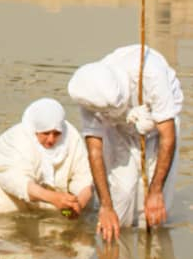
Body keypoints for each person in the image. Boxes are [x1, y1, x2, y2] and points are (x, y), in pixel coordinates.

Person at [67, 44, 183, 241]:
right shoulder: (88, 93)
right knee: (122, 193)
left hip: (158, 127)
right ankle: (116, 253)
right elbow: (95, 151)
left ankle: (153, 250)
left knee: (154, 210)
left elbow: (168, 135)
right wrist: (106, 206)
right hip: (117, 128)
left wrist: (156, 191)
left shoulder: (150, 74)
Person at [0, 98, 93, 217]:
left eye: (56, 134)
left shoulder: (71, 136)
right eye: (46, 133)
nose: (51, 139)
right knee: (0, 205)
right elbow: (15, 181)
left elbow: (84, 178)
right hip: (0, 182)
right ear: (35, 130)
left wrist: (78, 205)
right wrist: (53, 198)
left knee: (87, 202)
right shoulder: (19, 138)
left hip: (45, 190)